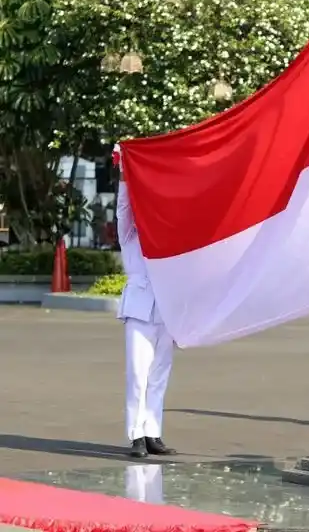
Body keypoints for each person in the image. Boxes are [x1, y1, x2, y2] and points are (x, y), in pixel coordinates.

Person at [115, 147, 177, 459]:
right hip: (139, 310)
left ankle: (152, 431)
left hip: (166, 310)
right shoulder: (131, 236)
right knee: (138, 374)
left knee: (159, 374)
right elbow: (123, 210)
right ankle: (135, 435)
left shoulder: (170, 238)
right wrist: (126, 175)